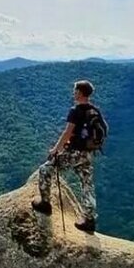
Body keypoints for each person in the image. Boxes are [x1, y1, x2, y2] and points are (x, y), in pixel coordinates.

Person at [31, 79, 102, 234]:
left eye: (75, 90)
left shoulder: (76, 110)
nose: (73, 93)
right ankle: (90, 220)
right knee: (87, 184)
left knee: (45, 169)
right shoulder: (94, 111)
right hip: (88, 154)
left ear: (80, 93)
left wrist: (56, 149)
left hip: (74, 153)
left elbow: (67, 132)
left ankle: (45, 204)